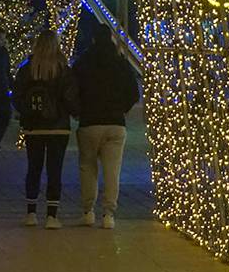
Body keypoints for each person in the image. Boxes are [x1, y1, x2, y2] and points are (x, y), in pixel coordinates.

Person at [72, 25, 140, 228]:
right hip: (115, 123)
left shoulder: (83, 63)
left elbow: (72, 90)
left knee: (87, 167)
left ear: (93, 39)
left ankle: (88, 211)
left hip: (89, 122)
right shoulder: (120, 63)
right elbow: (133, 93)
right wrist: (122, 109)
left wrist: (78, 111)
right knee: (112, 171)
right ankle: (109, 214)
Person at [13, 30, 76, 229]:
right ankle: (52, 215)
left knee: (34, 167)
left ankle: (31, 212)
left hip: (34, 126)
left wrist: (26, 113)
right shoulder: (63, 69)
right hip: (58, 127)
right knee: (54, 170)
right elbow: (70, 97)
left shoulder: (28, 69)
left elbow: (16, 96)